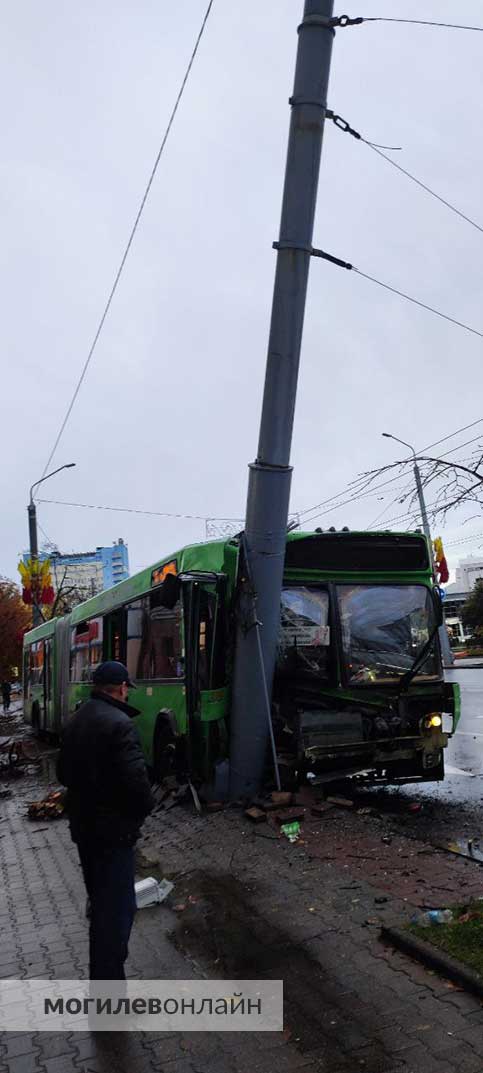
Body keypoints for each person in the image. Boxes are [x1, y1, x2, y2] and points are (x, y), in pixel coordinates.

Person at [57, 661, 154, 980]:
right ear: (123, 688)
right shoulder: (120, 724)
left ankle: (103, 978)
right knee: (117, 911)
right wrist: (140, 811)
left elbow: (62, 774)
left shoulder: (76, 719)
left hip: (84, 830)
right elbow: (137, 785)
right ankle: (109, 986)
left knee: (100, 904)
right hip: (114, 834)